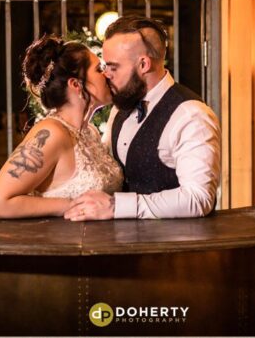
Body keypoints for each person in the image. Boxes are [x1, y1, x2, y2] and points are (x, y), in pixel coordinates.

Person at [65, 16, 221, 220]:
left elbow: (198, 198)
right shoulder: (120, 107)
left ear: (144, 64)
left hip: (169, 247)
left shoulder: (190, 115)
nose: (106, 75)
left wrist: (116, 206)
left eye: (114, 67)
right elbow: (103, 167)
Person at [0, 35, 123, 219]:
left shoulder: (90, 132)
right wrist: (71, 205)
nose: (107, 75)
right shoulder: (52, 133)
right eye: (99, 69)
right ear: (76, 84)